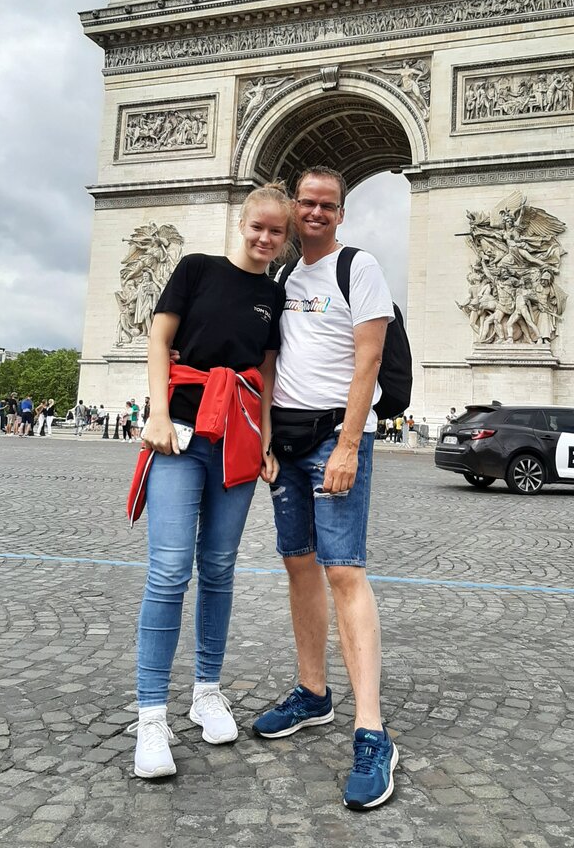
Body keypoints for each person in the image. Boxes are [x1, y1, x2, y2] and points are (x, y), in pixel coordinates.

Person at [126, 181, 291, 780]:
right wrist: (157, 413)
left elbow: (264, 375)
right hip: (179, 434)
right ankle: (150, 714)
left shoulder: (274, 295)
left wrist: (266, 439)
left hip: (237, 441)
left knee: (219, 567)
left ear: (285, 238)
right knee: (170, 570)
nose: (265, 238)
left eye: (277, 231)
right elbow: (159, 338)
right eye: (258, 226)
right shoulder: (196, 268)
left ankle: (206, 692)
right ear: (241, 222)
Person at [252, 166, 399, 812]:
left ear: (341, 212)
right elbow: (271, 362)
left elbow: (369, 359)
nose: (315, 212)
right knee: (298, 564)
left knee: (344, 570)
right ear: (293, 206)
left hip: (334, 441)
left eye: (327, 205)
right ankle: (313, 693)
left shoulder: (358, 268)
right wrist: (263, 437)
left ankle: (372, 731)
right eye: (306, 203)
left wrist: (347, 444)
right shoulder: (283, 275)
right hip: (285, 442)